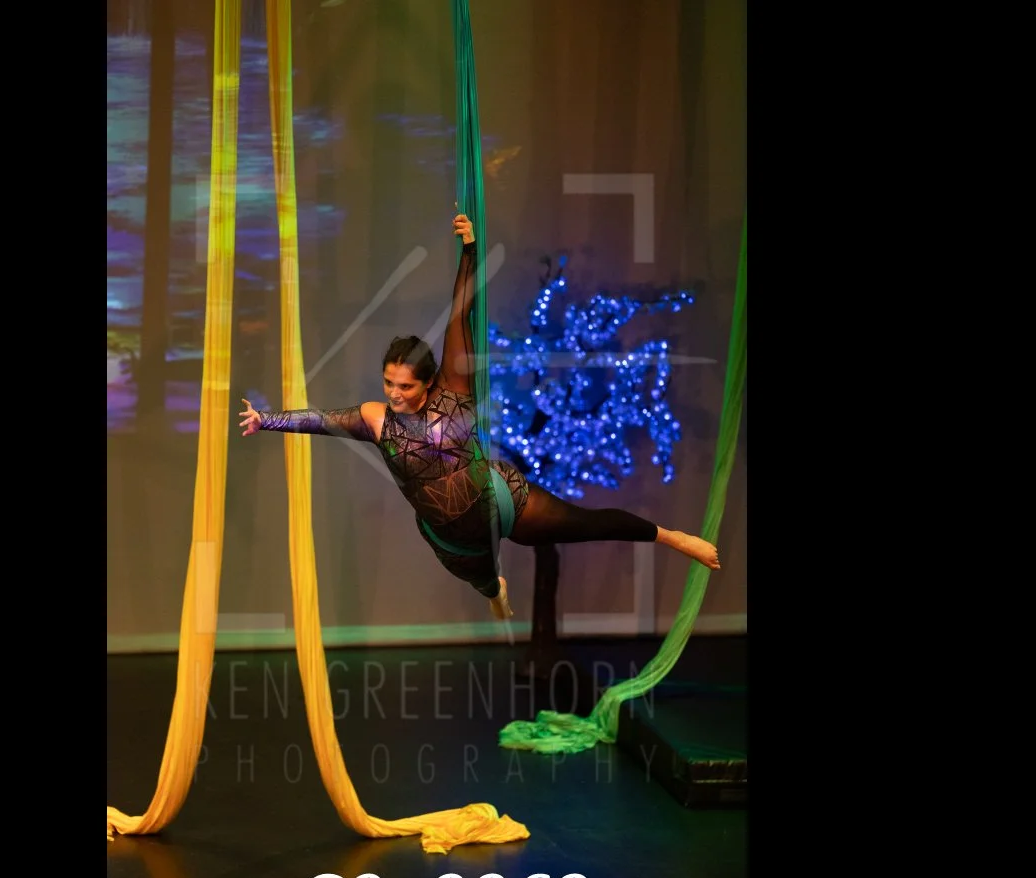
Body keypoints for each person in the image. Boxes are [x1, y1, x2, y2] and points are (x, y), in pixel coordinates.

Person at [238, 212, 720, 620]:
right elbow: (320, 420)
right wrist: (267, 420)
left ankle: (673, 538)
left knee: (588, 524)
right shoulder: (375, 419)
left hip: (503, 499)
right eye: (388, 383)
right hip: (451, 541)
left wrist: (469, 249)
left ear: (428, 382)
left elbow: (459, 314)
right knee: (484, 580)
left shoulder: (455, 388)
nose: (395, 394)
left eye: (405, 386)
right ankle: (494, 591)